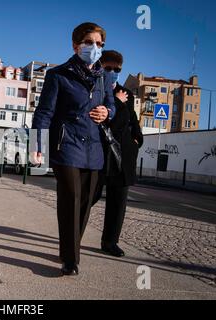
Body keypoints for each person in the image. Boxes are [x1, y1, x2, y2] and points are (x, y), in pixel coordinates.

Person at [31, 22, 115, 276]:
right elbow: (44, 112)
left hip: (94, 149)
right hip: (66, 145)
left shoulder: (104, 78)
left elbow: (111, 105)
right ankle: (70, 259)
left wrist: (107, 111)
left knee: (86, 202)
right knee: (70, 199)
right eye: (89, 42)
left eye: (99, 44)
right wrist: (38, 144)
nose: (95, 48)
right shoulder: (58, 75)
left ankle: (69, 247)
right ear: (76, 45)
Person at [93, 50, 144, 257]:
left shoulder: (127, 94)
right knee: (90, 195)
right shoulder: (95, 89)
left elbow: (130, 121)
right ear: (100, 66)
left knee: (118, 201)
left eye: (117, 69)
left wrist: (137, 140)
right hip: (100, 153)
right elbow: (108, 122)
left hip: (123, 155)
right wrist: (117, 102)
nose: (113, 72)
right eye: (109, 68)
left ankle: (110, 241)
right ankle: (73, 234)